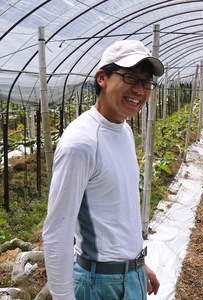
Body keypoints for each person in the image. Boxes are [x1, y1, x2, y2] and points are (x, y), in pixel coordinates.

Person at [43, 40, 164, 300]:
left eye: (146, 82)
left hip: (129, 277)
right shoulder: (81, 143)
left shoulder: (124, 130)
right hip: (99, 284)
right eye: (130, 77)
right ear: (102, 78)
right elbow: (57, 233)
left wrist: (138, 266)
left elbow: (119, 212)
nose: (140, 90)